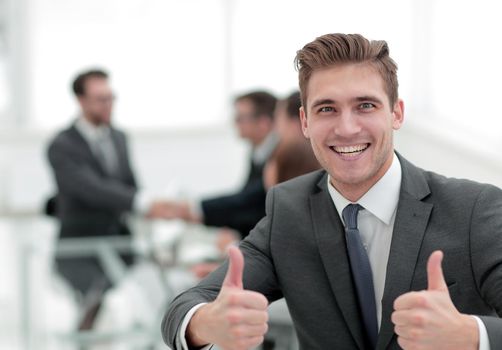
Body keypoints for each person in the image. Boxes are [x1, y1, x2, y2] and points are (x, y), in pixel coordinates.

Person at [162, 33, 502, 350]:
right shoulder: (289, 210)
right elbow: (183, 308)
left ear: (396, 113)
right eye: (327, 109)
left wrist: (470, 334)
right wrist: (207, 323)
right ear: (305, 122)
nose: (347, 128)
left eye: (365, 106)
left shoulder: (473, 209)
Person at [47, 69, 169, 327]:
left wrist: (152, 208)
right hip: (80, 247)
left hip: (120, 244)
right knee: (90, 314)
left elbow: (130, 185)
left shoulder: (119, 137)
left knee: (148, 300)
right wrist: (142, 202)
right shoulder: (61, 145)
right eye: (100, 98)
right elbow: (91, 189)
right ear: (80, 100)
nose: (108, 104)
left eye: (111, 97)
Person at [161, 91, 278, 240]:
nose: (235, 124)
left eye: (239, 118)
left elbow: (252, 201)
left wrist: (196, 208)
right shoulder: (257, 151)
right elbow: (244, 197)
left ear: (263, 123)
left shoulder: (280, 156)